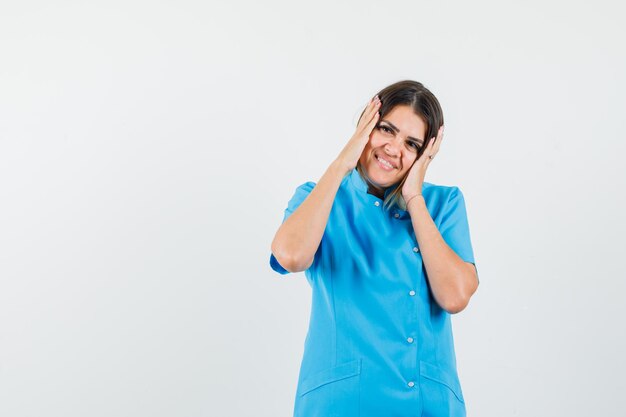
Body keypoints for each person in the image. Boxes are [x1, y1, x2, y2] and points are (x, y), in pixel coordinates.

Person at [269, 80, 479, 417]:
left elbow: (454, 296)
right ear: (365, 125)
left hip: (426, 403)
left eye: (412, 144)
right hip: (342, 403)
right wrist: (341, 164)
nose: (394, 149)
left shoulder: (443, 204)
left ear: (426, 154)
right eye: (386, 129)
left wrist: (414, 198)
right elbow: (290, 255)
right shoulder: (320, 197)